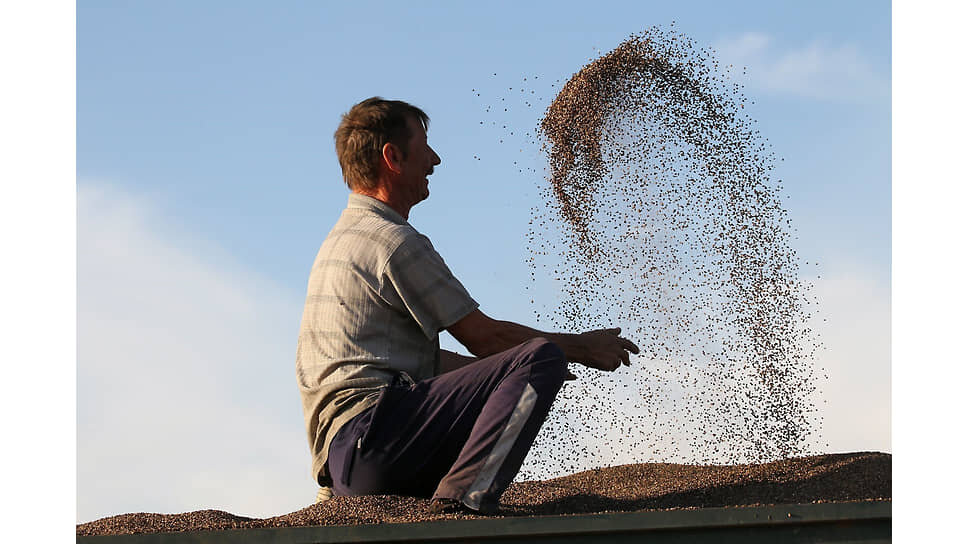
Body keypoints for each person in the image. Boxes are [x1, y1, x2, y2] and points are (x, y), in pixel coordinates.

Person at [295, 97, 639, 514]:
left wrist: (502, 378)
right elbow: (486, 337)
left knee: (525, 364)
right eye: (424, 145)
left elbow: (415, 364)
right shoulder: (392, 242)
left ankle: (447, 493)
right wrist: (576, 349)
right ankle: (464, 501)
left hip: (348, 465)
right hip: (376, 442)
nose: (435, 160)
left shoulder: (341, 242)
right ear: (393, 157)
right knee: (539, 358)